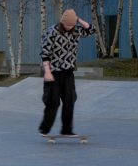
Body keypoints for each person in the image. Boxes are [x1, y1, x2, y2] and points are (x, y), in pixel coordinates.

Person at [38, 8, 97, 136]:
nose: (70, 27)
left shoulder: (76, 31)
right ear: (62, 22)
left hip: (68, 72)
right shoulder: (52, 32)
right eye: (67, 25)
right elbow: (45, 53)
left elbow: (91, 30)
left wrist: (78, 19)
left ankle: (67, 129)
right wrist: (47, 71)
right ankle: (45, 128)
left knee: (70, 100)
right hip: (53, 72)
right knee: (53, 102)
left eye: (72, 25)